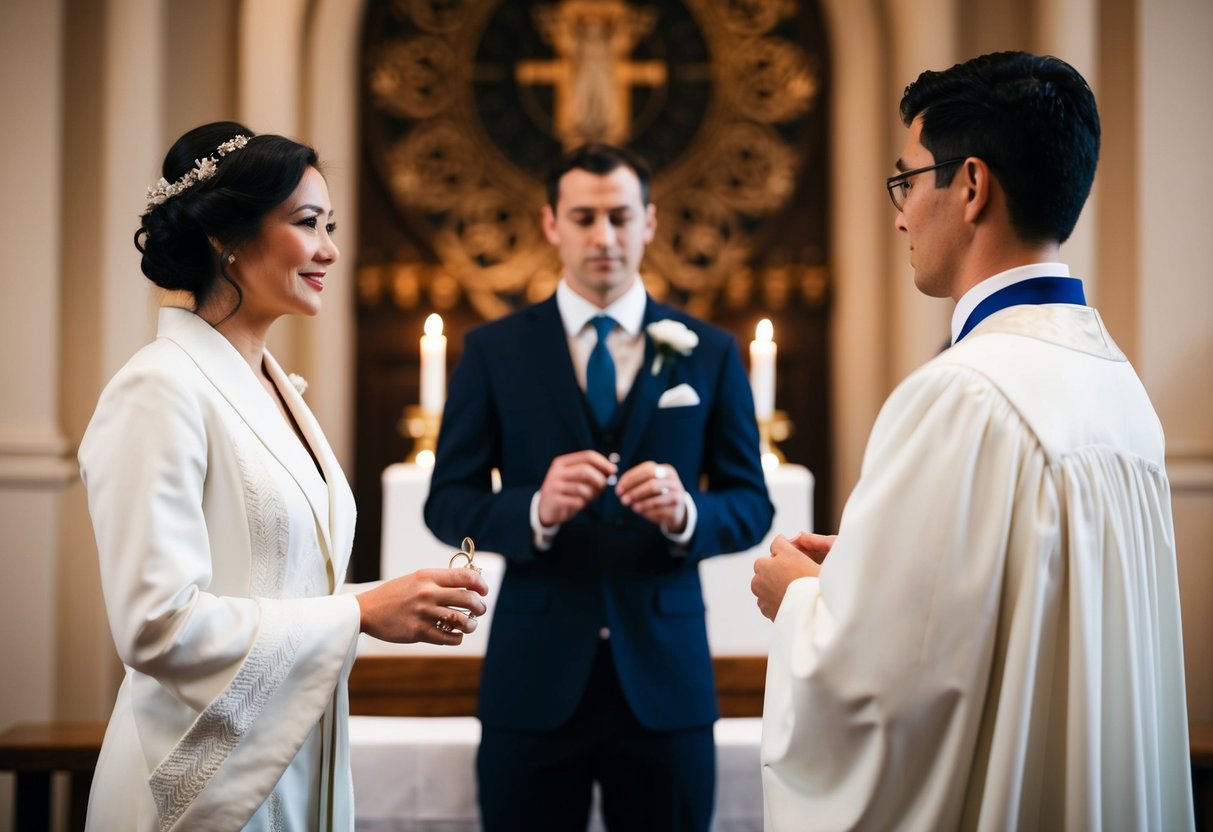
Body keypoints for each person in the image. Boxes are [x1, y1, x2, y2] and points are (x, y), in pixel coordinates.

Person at [751, 51, 1194, 830]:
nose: (898, 214)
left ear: (970, 185)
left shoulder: (960, 393)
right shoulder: (1120, 389)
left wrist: (800, 602)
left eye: (906, 180)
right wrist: (861, 571)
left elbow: (882, 695)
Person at [78, 121, 489, 831]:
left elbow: (278, 587)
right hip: (201, 780)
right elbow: (155, 624)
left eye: (330, 225)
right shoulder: (159, 388)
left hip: (297, 754)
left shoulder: (276, 389)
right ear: (224, 238)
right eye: (307, 224)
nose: (330, 249)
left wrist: (389, 602)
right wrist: (357, 613)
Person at [425, 142, 774, 831]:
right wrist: (532, 509)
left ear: (649, 221)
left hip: (666, 683)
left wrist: (685, 515)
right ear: (551, 223)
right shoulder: (493, 351)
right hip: (532, 681)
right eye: (583, 217)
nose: (603, 237)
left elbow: (749, 503)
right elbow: (447, 503)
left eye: (619, 217)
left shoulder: (708, 351)